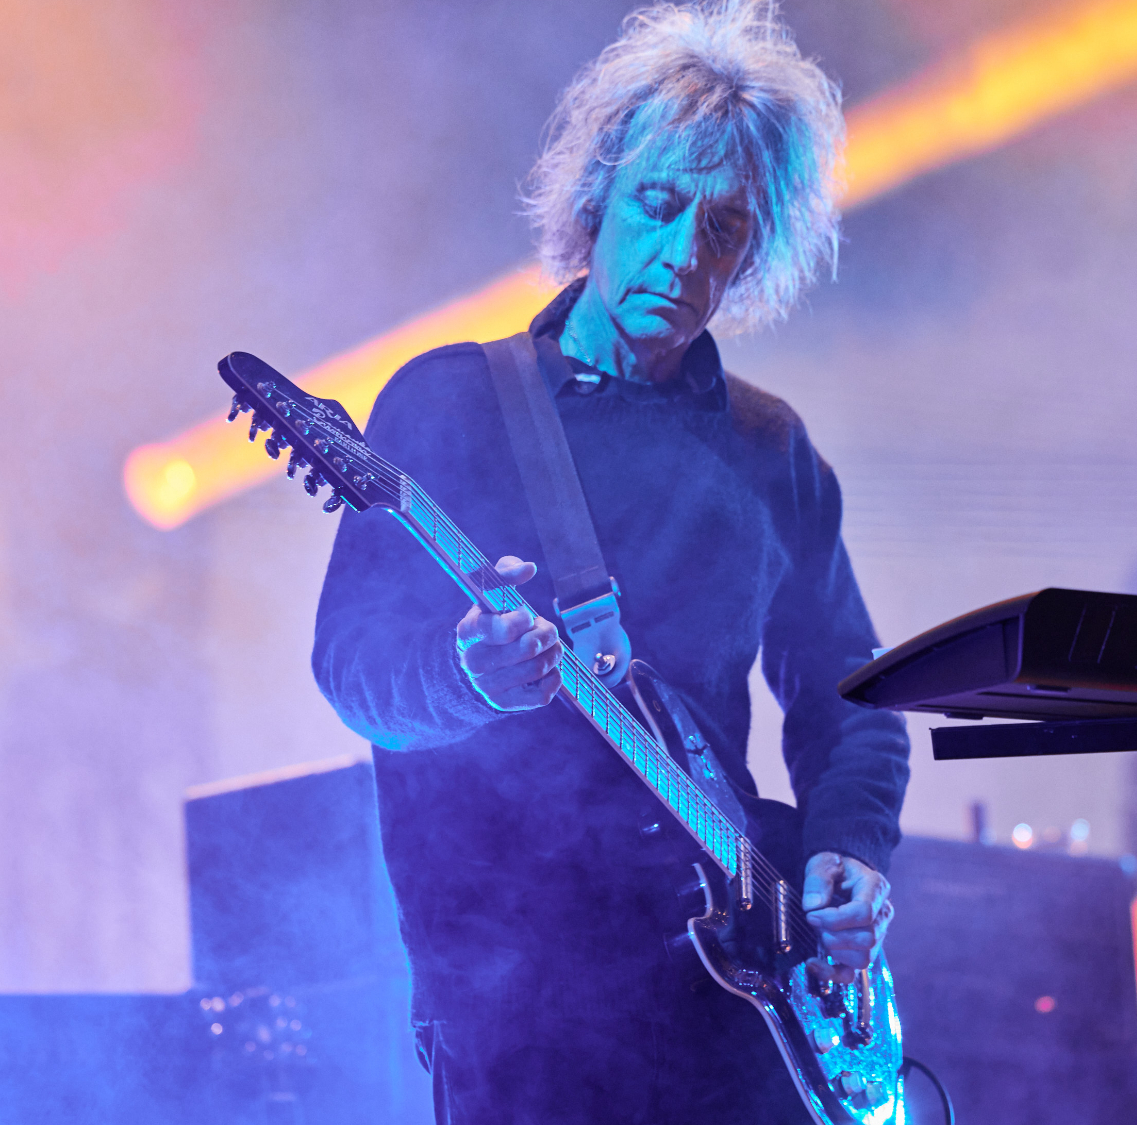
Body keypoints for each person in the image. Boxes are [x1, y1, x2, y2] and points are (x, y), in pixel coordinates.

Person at [311, 3, 910, 1120]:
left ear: (754, 251)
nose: (683, 252)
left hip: (741, 997)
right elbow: (353, 668)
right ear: (597, 199)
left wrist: (848, 847)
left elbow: (849, 693)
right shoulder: (451, 405)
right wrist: (466, 679)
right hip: (519, 1010)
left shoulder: (768, 447)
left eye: (723, 228)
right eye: (658, 203)